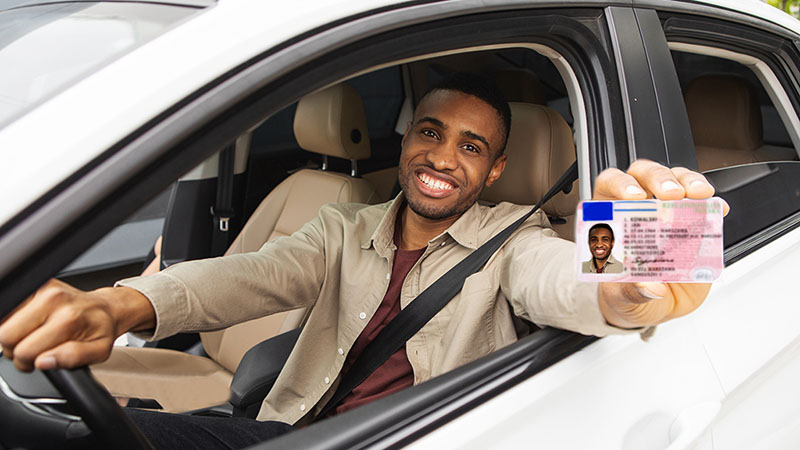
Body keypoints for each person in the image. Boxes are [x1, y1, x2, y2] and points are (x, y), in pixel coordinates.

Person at [0, 74, 726, 449]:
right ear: (407, 138)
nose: (443, 158)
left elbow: (571, 284)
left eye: (470, 147)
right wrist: (119, 304)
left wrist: (636, 288)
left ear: (497, 170)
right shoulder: (346, 226)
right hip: (297, 431)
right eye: (432, 133)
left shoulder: (516, 239)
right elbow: (244, 277)